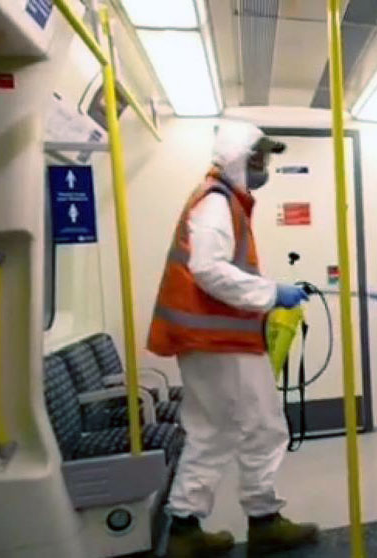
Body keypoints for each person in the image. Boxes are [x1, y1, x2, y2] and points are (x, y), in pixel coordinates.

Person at [147, 121, 319, 557]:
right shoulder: (217, 202)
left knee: (213, 431)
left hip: (210, 340)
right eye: (258, 157)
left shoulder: (221, 200)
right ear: (238, 158)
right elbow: (208, 269)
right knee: (263, 426)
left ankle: (185, 528)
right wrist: (271, 293)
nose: (264, 166)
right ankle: (264, 521)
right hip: (221, 341)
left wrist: (268, 291)